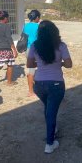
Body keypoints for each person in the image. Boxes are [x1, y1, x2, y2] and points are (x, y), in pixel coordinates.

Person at [27, 20, 72, 154]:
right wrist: (60, 63)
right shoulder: (61, 45)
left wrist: (41, 64)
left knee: (48, 108)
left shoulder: (35, 46)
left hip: (39, 84)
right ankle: (49, 144)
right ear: (55, 31)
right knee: (51, 112)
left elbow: (30, 64)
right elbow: (69, 64)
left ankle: (53, 129)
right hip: (56, 84)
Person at [23, 9, 41, 97]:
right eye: (39, 18)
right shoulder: (38, 27)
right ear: (37, 17)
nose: (39, 19)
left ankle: (32, 86)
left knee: (32, 68)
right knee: (33, 70)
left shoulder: (26, 26)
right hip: (35, 50)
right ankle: (30, 91)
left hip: (27, 49)